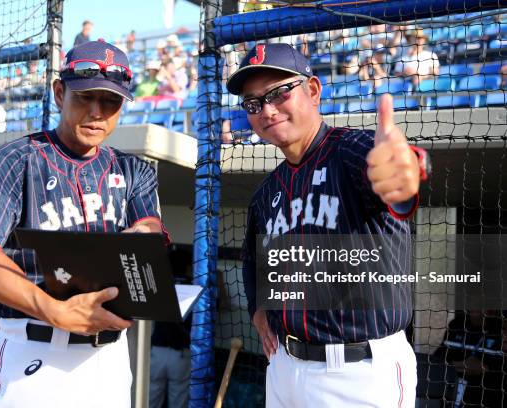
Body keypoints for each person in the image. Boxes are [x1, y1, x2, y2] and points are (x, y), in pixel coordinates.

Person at [0, 39, 168, 408]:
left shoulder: (134, 170)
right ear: (60, 93)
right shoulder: (12, 162)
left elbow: (150, 229)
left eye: (109, 101)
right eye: (84, 96)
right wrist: (54, 310)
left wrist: (140, 237)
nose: (96, 111)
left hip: (108, 358)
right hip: (35, 349)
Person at [226, 43, 430, 407]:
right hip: (285, 369)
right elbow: (254, 260)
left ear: (314, 90)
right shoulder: (266, 192)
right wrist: (260, 308)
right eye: (254, 104)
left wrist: (401, 172)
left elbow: (396, 180)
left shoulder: (353, 151)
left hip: (358, 372)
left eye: (277, 92)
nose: (267, 110)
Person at [149, 248, 192, 408]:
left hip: (156, 351)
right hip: (181, 353)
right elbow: (221, 306)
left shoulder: (158, 285)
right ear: (189, 266)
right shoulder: (195, 286)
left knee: (150, 399)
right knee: (178, 399)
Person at [434, 310, 504, 407]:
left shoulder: (498, 329)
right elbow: (436, 360)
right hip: (451, 393)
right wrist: (456, 365)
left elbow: (481, 367)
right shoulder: (456, 325)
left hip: (483, 398)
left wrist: (450, 365)